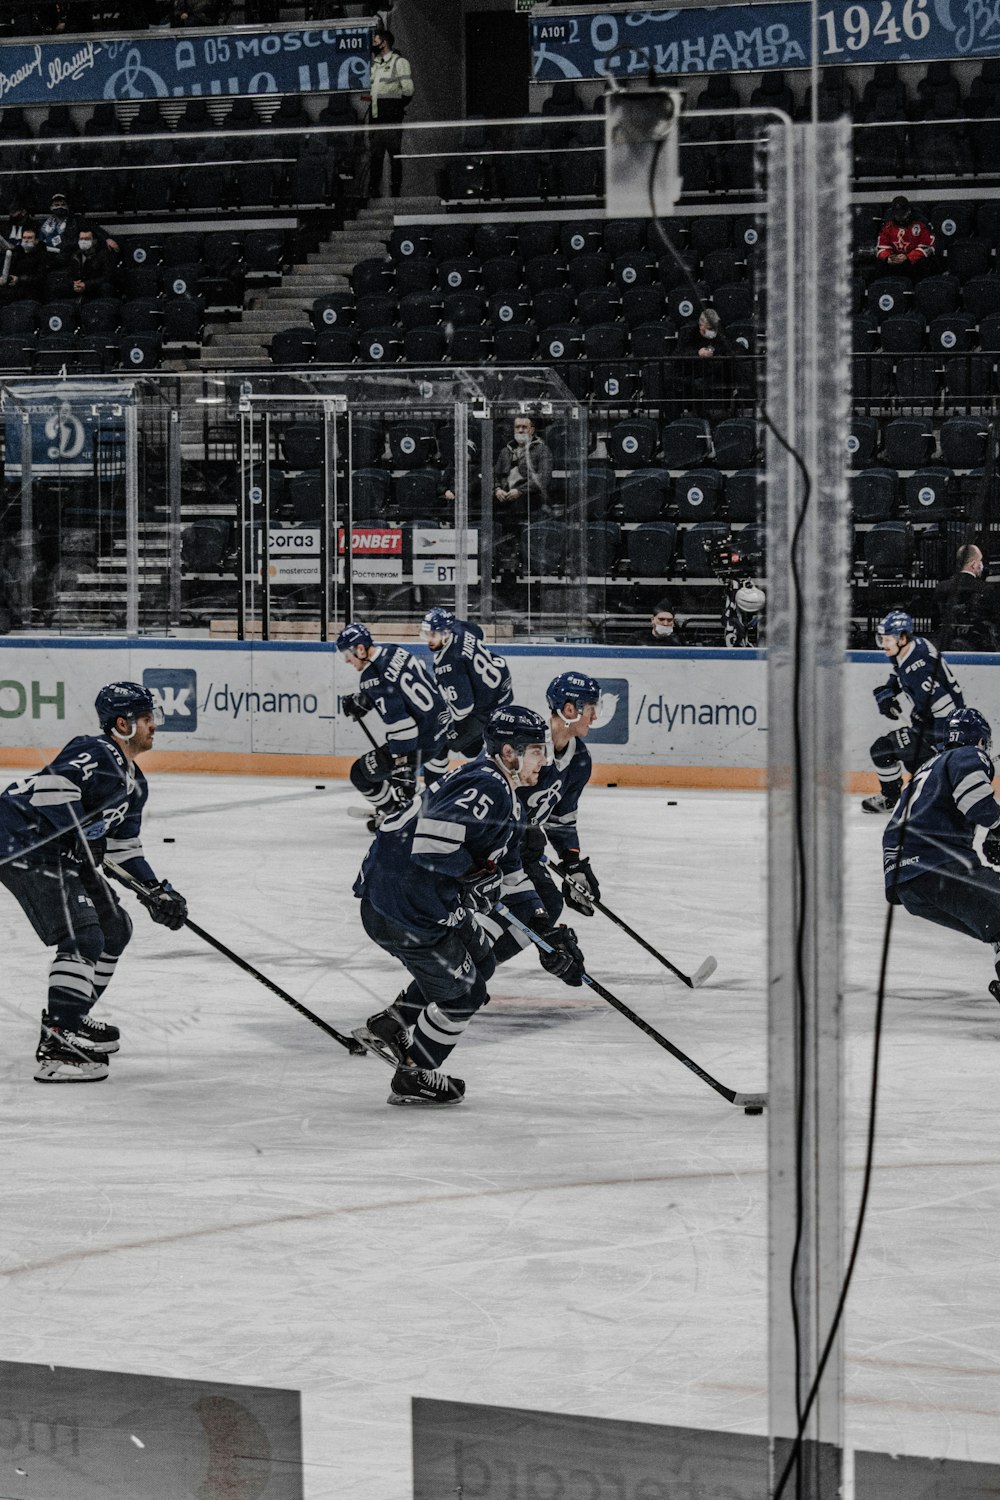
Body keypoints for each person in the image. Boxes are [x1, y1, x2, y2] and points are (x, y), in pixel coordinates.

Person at [350, 704, 586, 1105]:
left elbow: (509, 869)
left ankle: (395, 1023)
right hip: (403, 906)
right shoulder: (490, 785)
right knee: (466, 995)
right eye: (535, 751)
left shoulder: (504, 792)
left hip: (415, 897)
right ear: (509, 752)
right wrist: (474, 874)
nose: (543, 761)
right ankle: (414, 1075)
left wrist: (545, 929)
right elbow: (432, 845)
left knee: (483, 961)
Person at [0, 682, 188, 1083]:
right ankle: (58, 1042)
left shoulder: (136, 784)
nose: (154, 725)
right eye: (146, 718)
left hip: (62, 849)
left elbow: (124, 848)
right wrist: (86, 838)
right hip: (24, 843)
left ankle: (72, 1017)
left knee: (114, 929)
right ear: (122, 724)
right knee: (83, 937)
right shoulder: (94, 750)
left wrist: (157, 891)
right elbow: (52, 792)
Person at [484, 672, 603, 967]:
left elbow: (562, 818)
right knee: (509, 905)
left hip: (520, 851)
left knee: (548, 903)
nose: (595, 717)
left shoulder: (580, 759)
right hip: (492, 849)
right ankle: (458, 967)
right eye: (590, 709)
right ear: (569, 709)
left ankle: (478, 967)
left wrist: (572, 861)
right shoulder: (527, 747)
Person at [883, 707, 1000, 1004]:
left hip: (909, 885)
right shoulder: (967, 755)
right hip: (936, 866)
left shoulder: (929, 766)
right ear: (981, 742)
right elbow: (977, 803)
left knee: (995, 921)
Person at [338, 621, 452, 829]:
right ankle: (419, 804)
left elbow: (404, 727)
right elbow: (400, 690)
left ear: (360, 649)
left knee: (360, 774)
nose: (347, 660)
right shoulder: (394, 650)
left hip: (420, 741)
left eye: (348, 654)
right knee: (400, 775)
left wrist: (403, 766)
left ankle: (395, 814)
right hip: (441, 728)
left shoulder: (371, 677)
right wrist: (365, 700)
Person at [862, 609, 966, 814]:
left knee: (885, 751)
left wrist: (944, 744)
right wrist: (889, 691)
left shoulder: (918, 666)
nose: (883, 644)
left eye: (887, 639)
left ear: (901, 637)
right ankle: (905, 795)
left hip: (938, 727)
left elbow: (945, 707)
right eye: (881, 638)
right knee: (891, 753)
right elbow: (899, 673)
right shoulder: (911, 646)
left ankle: (938, 797)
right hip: (925, 723)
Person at [420, 606, 513, 758]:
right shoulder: (459, 627)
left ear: (446, 633)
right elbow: (480, 633)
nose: (429, 639)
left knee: (440, 740)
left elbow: (462, 709)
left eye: (433, 635)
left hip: (487, 709)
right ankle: (476, 751)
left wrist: (440, 712)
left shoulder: (448, 663)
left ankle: (438, 780)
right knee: (468, 746)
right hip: (502, 686)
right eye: (427, 634)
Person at [368, 25, 413, 198]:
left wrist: (395, 107)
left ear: (384, 42)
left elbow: (408, 90)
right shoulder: (375, 64)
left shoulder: (399, 62)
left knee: (394, 156)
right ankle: (374, 190)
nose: (373, 43)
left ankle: (395, 191)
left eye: (376, 40)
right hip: (375, 117)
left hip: (391, 118)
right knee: (376, 157)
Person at [933, 542, 996, 651]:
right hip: (979, 649)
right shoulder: (986, 589)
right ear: (973, 564)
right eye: (980, 561)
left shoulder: (941, 587)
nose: (981, 565)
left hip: (946, 646)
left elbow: (935, 620)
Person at [493, 414, 553, 522]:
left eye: (524, 427)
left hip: (531, 504)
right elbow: (494, 475)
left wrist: (520, 491)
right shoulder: (505, 452)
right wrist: (497, 489)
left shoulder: (543, 450)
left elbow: (544, 478)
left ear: (532, 430)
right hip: (504, 505)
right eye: (517, 427)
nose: (520, 430)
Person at [47, 224, 117, 300]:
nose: (83, 241)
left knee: (106, 287)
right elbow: (69, 273)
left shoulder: (104, 254)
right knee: (58, 287)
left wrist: (86, 284)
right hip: (79, 285)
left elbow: (108, 276)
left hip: (94, 286)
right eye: (81, 239)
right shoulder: (75, 254)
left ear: (94, 241)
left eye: (87, 239)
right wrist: (73, 284)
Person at [876, 195, 935, 274]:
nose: (900, 217)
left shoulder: (921, 223)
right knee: (880, 264)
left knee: (925, 263)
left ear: (909, 211)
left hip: (914, 262)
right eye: (897, 214)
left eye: (902, 214)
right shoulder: (887, 225)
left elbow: (928, 246)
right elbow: (882, 246)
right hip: (895, 260)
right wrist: (889, 257)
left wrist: (908, 257)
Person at [1, 224, 49, 302]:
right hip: (15, 290)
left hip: (32, 292)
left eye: (30, 238)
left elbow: (40, 277)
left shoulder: (42, 255)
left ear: (36, 240)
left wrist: (19, 279)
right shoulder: (17, 252)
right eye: (24, 238)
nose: (26, 240)